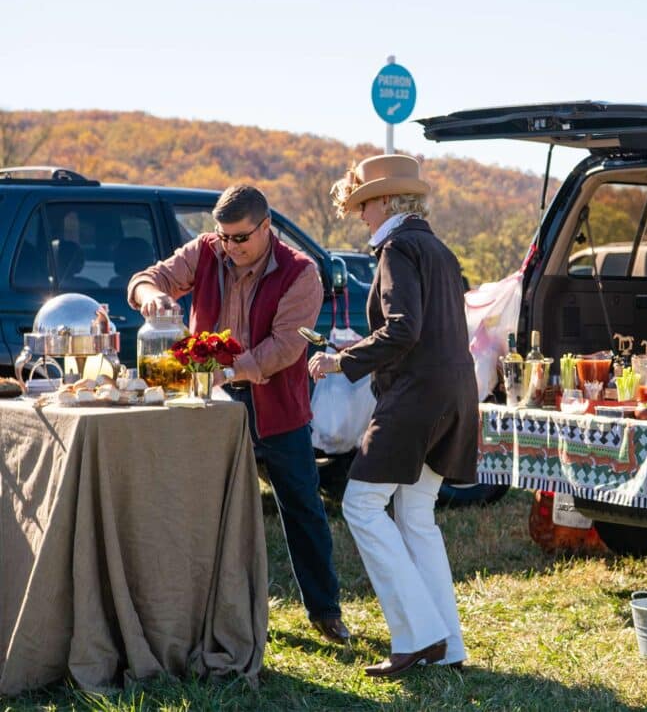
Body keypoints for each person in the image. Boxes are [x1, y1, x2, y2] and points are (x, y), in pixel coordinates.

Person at [126, 184, 348, 644]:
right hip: (210, 405)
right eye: (223, 237)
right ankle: (207, 612)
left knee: (301, 505)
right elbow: (146, 278)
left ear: (266, 227)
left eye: (240, 238)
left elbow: (287, 345)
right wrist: (150, 295)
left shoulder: (302, 273)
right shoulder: (206, 250)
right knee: (206, 507)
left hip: (276, 407)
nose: (229, 247)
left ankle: (325, 610)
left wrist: (228, 370)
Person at [308, 154, 477, 678]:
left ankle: (417, 636)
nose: (360, 215)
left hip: (418, 397)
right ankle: (447, 644)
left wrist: (340, 361)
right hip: (454, 393)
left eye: (363, 204)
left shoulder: (397, 247)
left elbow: (404, 329)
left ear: (384, 201)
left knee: (360, 505)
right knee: (416, 515)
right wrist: (363, 348)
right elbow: (423, 328)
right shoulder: (438, 249)